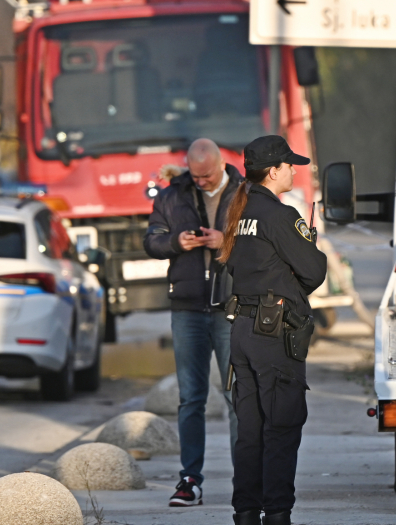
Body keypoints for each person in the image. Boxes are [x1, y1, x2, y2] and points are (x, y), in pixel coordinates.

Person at [218, 135, 327, 525]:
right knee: (281, 426)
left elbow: (235, 268)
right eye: (289, 164)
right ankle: (277, 513)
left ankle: (246, 511)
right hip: (273, 334)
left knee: (250, 429)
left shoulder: (240, 209)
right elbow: (314, 271)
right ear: (273, 171)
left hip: (244, 330)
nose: (294, 170)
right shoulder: (279, 215)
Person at [143, 138, 241, 507]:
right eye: (195, 175)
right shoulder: (172, 195)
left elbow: (263, 243)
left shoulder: (244, 194)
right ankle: (189, 479)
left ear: (220, 165)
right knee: (190, 399)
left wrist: (224, 241)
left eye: (206, 175)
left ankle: (245, 479)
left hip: (230, 306)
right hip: (186, 306)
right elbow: (150, 240)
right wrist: (175, 242)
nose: (200, 181)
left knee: (237, 397)